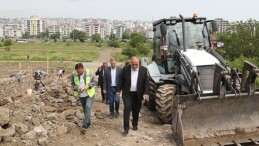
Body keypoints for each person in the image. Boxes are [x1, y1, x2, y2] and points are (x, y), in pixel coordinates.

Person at [117, 56, 149, 136]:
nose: (134, 66)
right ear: (131, 63)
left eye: (136, 64)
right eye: (133, 64)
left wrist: (146, 93)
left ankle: (135, 124)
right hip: (128, 94)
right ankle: (126, 128)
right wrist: (118, 90)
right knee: (127, 110)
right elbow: (121, 80)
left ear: (139, 63)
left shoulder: (144, 70)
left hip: (138, 94)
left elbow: (146, 82)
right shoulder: (125, 69)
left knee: (136, 110)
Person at [70, 63, 97, 134]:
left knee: (88, 107)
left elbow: (95, 81)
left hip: (89, 94)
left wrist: (88, 86)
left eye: (80, 72)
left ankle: (84, 125)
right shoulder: (74, 74)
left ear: (83, 68)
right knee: (85, 110)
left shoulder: (89, 72)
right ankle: (88, 122)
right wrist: (76, 88)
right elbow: (72, 84)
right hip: (81, 95)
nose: (79, 73)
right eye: (78, 72)